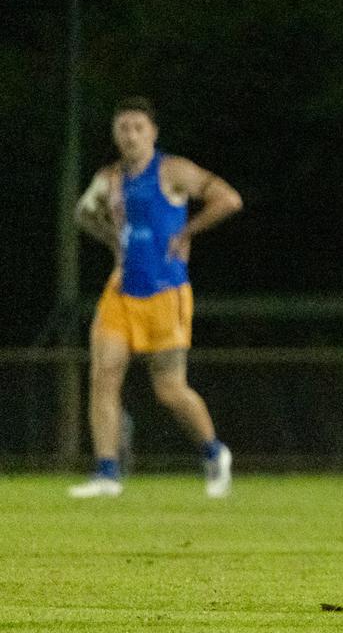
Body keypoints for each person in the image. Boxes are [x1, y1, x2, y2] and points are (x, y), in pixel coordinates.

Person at [69, 96, 242, 498]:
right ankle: (107, 473)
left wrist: (187, 233)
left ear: (152, 133)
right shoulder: (110, 178)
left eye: (137, 128)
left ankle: (214, 453)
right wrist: (112, 239)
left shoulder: (172, 170)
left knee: (168, 389)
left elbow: (229, 199)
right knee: (103, 378)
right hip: (122, 290)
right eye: (123, 128)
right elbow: (82, 213)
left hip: (166, 292)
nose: (129, 135)